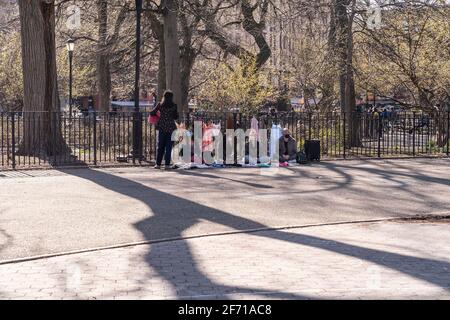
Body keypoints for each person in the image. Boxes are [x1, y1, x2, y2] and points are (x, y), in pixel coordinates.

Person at [150, 90, 179, 169]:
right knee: (169, 146)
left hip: (162, 127)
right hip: (171, 128)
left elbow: (151, 113)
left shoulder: (160, 105)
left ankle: (158, 164)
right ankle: (167, 164)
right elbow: (176, 117)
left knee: (160, 146)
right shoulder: (174, 106)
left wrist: (159, 115)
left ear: (164, 97)